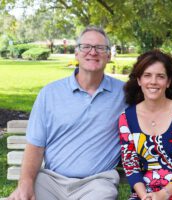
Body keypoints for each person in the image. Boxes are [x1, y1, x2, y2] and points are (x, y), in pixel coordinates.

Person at [8, 26, 127, 200]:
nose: (92, 52)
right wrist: (25, 185)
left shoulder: (125, 94)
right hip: (50, 181)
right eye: (86, 47)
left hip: (96, 183)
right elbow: (35, 146)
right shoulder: (50, 94)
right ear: (76, 53)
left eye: (100, 48)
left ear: (108, 56)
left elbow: (157, 108)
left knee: (103, 194)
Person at [119, 49, 172, 200]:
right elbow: (130, 164)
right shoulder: (127, 118)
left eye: (160, 76)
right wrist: (144, 195)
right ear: (139, 80)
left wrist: (163, 194)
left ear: (168, 81)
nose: (153, 82)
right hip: (144, 191)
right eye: (147, 75)